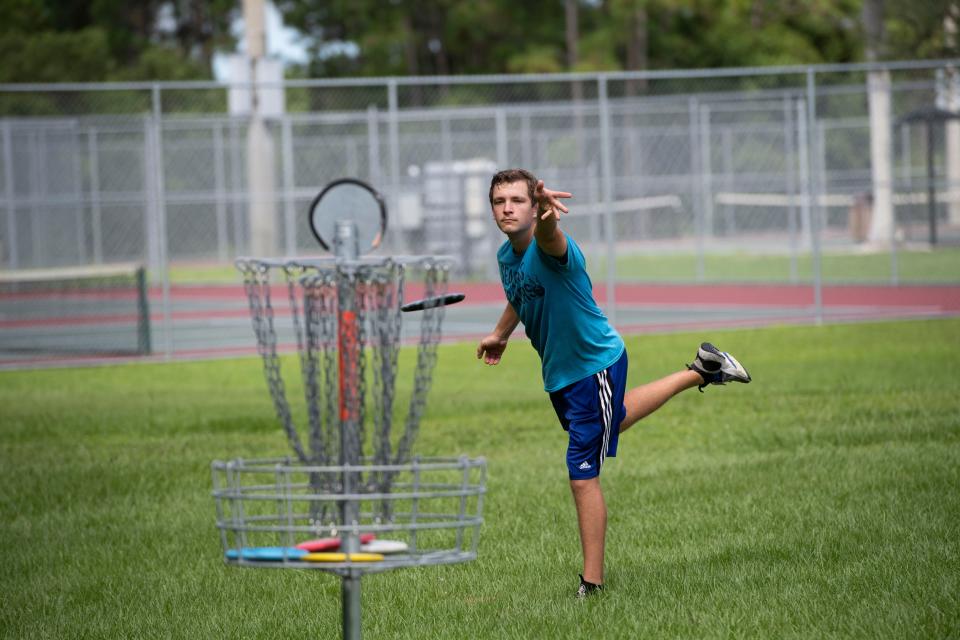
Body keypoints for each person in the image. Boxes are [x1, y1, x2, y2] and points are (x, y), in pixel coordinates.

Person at [476, 168, 751, 598]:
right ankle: (703, 369)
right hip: (562, 374)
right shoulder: (505, 256)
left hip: (593, 366)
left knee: (582, 474)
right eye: (499, 201)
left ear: (534, 206)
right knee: (614, 419)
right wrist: (500, 333)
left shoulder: (550, 247)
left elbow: (550, 240)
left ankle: (593, 584)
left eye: (517, 200)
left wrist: (549, 217)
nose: (507, 208)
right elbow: (521, 292)